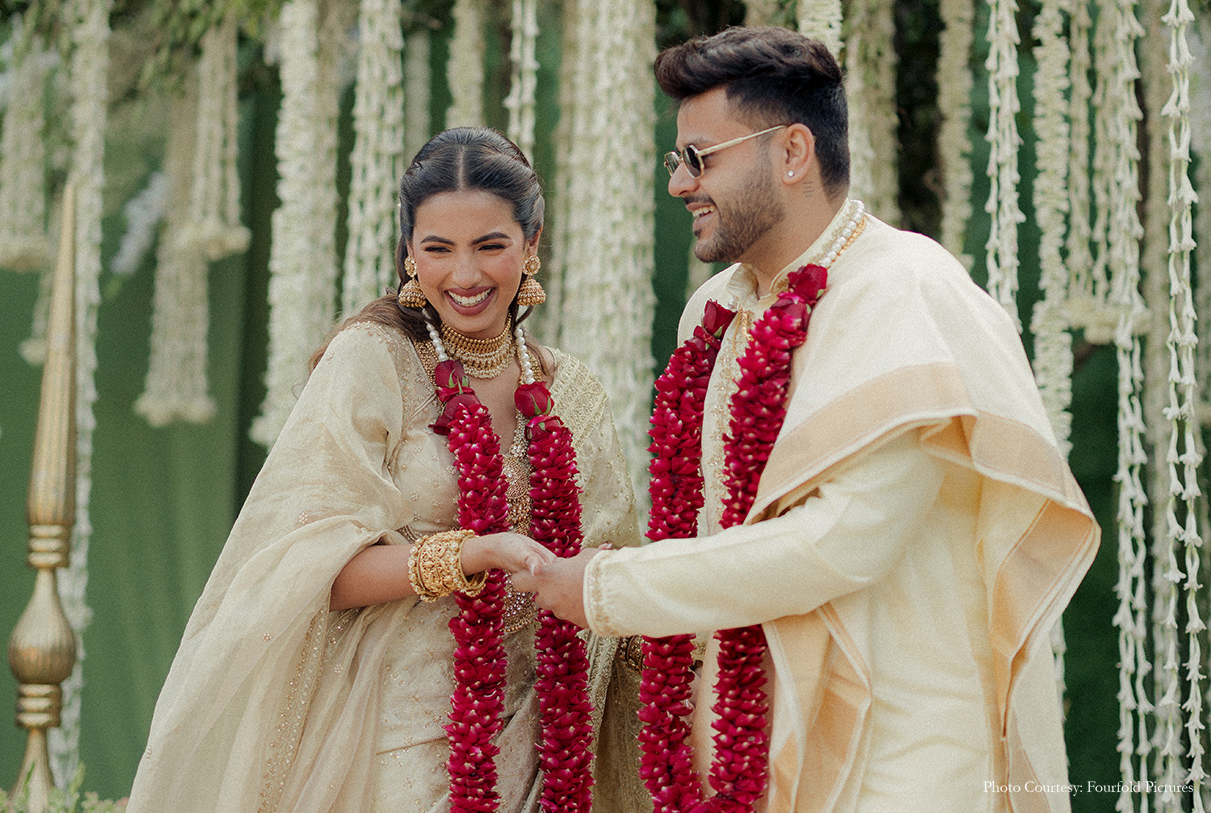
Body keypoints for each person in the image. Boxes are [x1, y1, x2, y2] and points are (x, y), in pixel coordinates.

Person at [514, 26, 1100, 813]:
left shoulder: (906, 292)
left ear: (792, 152)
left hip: (905, 755)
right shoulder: (716, 311)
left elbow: (842, 541)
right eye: (674, 159)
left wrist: (610, 588)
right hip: (747, 751)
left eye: (701, 158)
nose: (679, 185)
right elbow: (709, 527)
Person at [127, 127, 649, 812]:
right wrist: (471, 552)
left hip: (544, 735)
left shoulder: (573, 392)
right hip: (396, 732)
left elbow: (616, 568)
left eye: (490, 245)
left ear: (532, 242)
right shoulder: (374, 362)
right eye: (439, 249)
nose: (465, 275)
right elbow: (306, 567)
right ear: (409, 252)